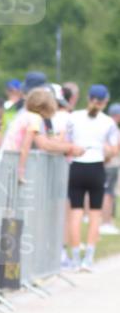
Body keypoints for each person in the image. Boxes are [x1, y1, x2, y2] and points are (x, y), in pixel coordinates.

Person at [66, 85, 120, 269]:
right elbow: (113, 150)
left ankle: (74, 257)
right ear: (105, 102)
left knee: (76, 212)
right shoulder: (108, 122)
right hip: (96, 166)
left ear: (88, 98)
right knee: (95, 214)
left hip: (77, 166)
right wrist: (106, 153)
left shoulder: (74, 117)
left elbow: (67, 140)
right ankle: (88, 257)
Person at [0, 87, 81, 182]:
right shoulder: (34, 119)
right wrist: (20, 172)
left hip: (6, 159)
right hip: (10, 162)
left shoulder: (25, 115)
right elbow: (29, 145)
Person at [100, 102, 120, 235]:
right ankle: (105, 223)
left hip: (110, 164)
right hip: (110, 164)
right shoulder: (111, 127)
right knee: (108, 193)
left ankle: (107, 221)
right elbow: (111, 148)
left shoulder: (105, 125)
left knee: (109, 193)